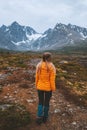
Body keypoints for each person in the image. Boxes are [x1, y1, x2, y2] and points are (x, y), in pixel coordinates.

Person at [35, 52, 56, 124]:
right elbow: (52, 79)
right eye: (51, 57)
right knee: (46, 103)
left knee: (40, 102)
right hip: (48, 89)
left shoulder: (39, 65)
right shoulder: (52, 66)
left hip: (39, 87)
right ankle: (45, 117)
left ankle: (39, 117)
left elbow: (37, 77)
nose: (51, 58)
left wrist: (36, 85)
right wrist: (53, 88)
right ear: (48, 58)